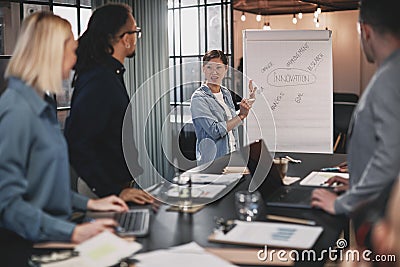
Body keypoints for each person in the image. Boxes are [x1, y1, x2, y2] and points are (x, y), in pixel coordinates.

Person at [0, 12, 129, 266]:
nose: (75, 59)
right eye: (72, 49)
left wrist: (93, 203)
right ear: (52, 53)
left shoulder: (42, 105)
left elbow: (45, 188)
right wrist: (73, 232)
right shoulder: (16, 110)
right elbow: (7, 205)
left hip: (51, 236)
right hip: (26, 248)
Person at [311, 0, 400, 216]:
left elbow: (391, 157)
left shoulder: (389, 79)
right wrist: (358, 184)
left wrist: (343, 203)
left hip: (384, 220)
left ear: (366, 31)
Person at [64, 4, 154, 205]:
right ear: (125, 38)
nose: (136, 38)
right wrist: (112, 190)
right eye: (135, 31)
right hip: (103, 190)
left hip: (116, 186)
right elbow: (77, 142)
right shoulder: (100, 79)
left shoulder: (109, 74)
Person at [190, 50, 255, 165]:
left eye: (219, 68)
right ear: (203, 69)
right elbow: (215, 131)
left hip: (233, 156)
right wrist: (241, 116)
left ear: (226, 69)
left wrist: (245, 107)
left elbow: (232, 121)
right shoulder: (198, 98)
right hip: (213, 163)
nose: (214, 72)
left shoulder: (225, 93)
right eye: (209, 67)